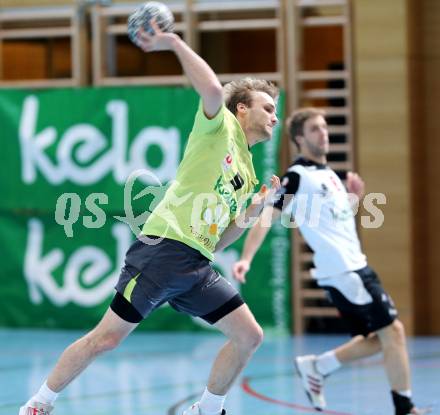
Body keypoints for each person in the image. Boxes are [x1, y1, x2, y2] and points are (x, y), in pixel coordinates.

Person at [19, 21, 281, 415]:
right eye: (268, 108)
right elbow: (212, 89)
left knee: (249, 335)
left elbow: (222, 240)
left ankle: (207, 410)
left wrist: (256, 209)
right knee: (106, 339)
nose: (275, 118)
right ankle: (39, 403)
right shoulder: (219, 128)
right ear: (242, 109)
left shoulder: (249, 172)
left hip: (197, 264)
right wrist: (173, 41)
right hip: (162, 253)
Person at [232, 108, 431, 415]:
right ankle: (405, 409)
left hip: (353, 265)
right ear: (300, 138)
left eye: (324, 127)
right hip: (344, 270)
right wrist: (246, 258)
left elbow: (333, 223)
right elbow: (268, 216)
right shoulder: (297, 176)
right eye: (315, 129)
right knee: (394, 333)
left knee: (379, 339)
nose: (323, 133)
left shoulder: (331, 176)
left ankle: (318, 366)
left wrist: (354, 198)